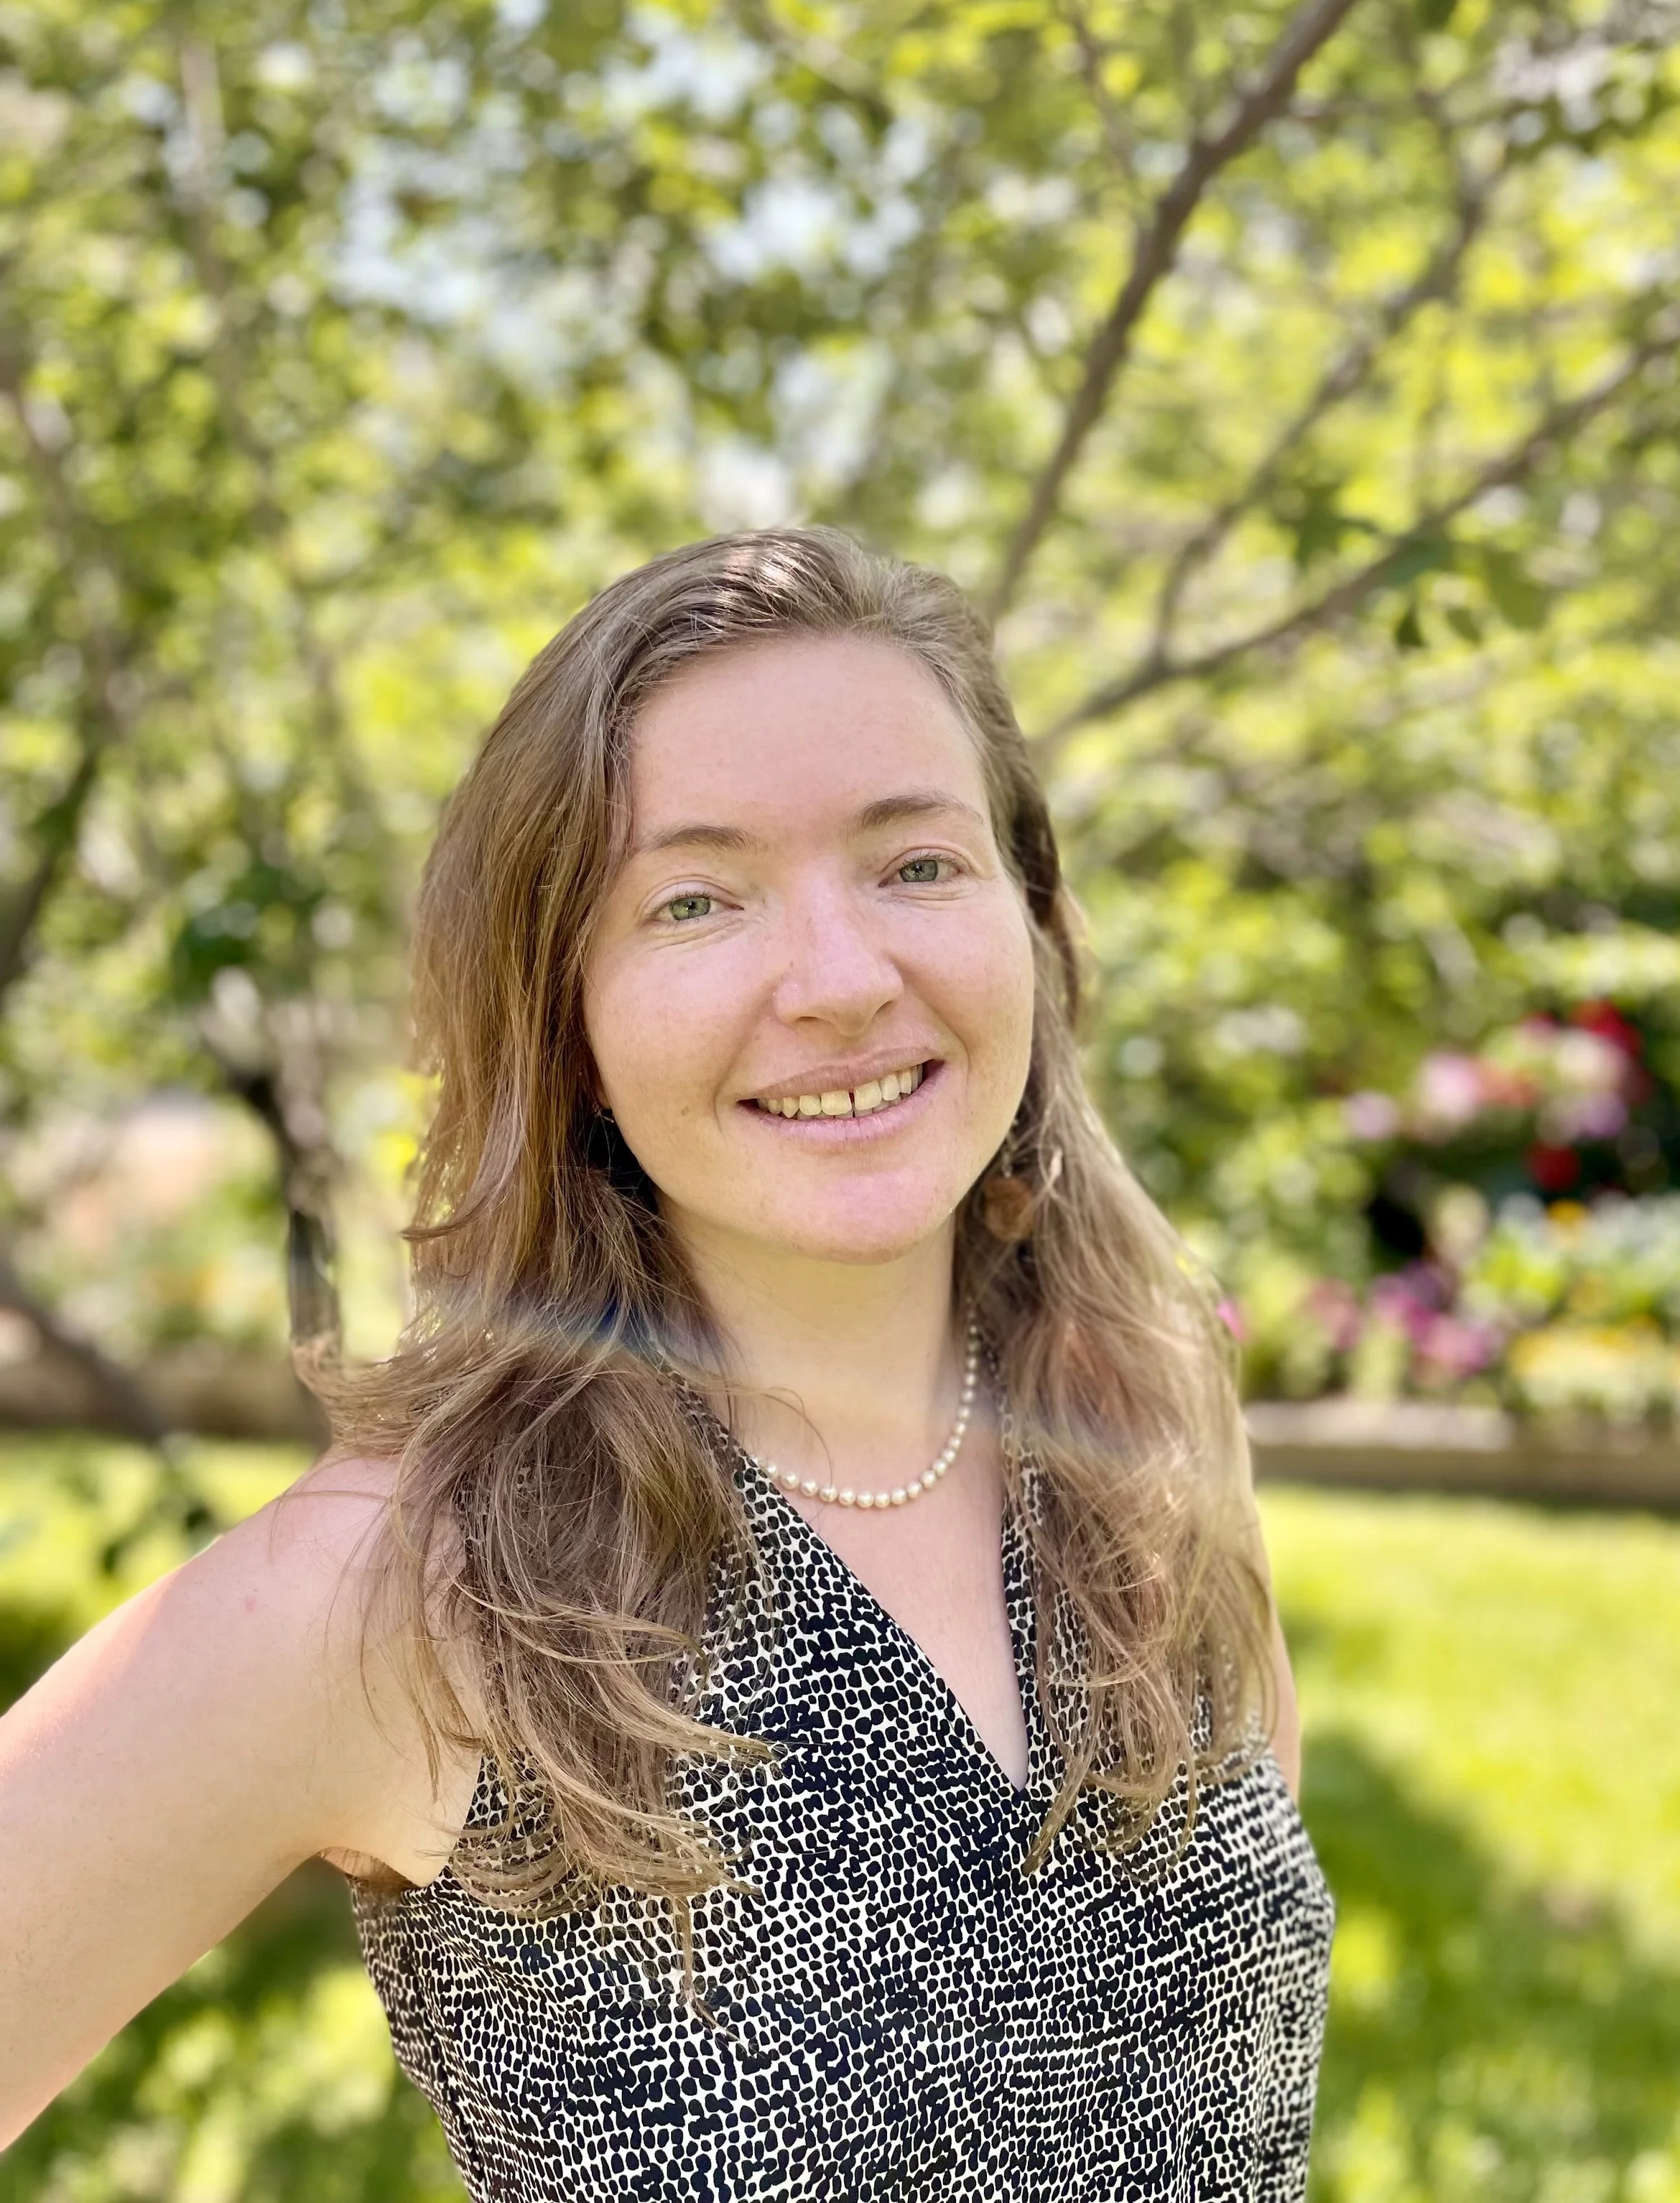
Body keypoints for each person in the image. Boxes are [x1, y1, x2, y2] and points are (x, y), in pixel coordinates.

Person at [0, 527, 1332, 2197]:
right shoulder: (405, 1584)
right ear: (567, 1024)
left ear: (1029, 920)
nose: (843, 981)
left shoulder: (1143, 1422)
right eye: (696, 898)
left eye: (914, 863)